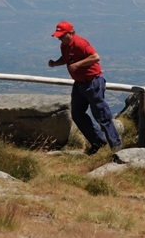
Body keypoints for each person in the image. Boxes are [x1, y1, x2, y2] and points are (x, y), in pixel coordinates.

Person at [48, 21, 122, 154]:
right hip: (79, 84)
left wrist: (78, 65)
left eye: (62, 35)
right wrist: (55, 63)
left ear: (70, 33)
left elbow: (95, 57)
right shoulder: (64, 45)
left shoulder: (80, 43)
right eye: (58, 36)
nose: (59, 38)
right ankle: (98, 143)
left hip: (93, 82)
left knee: (102, 116)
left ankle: (116, 147)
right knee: (77, 114)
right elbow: (66, 59)